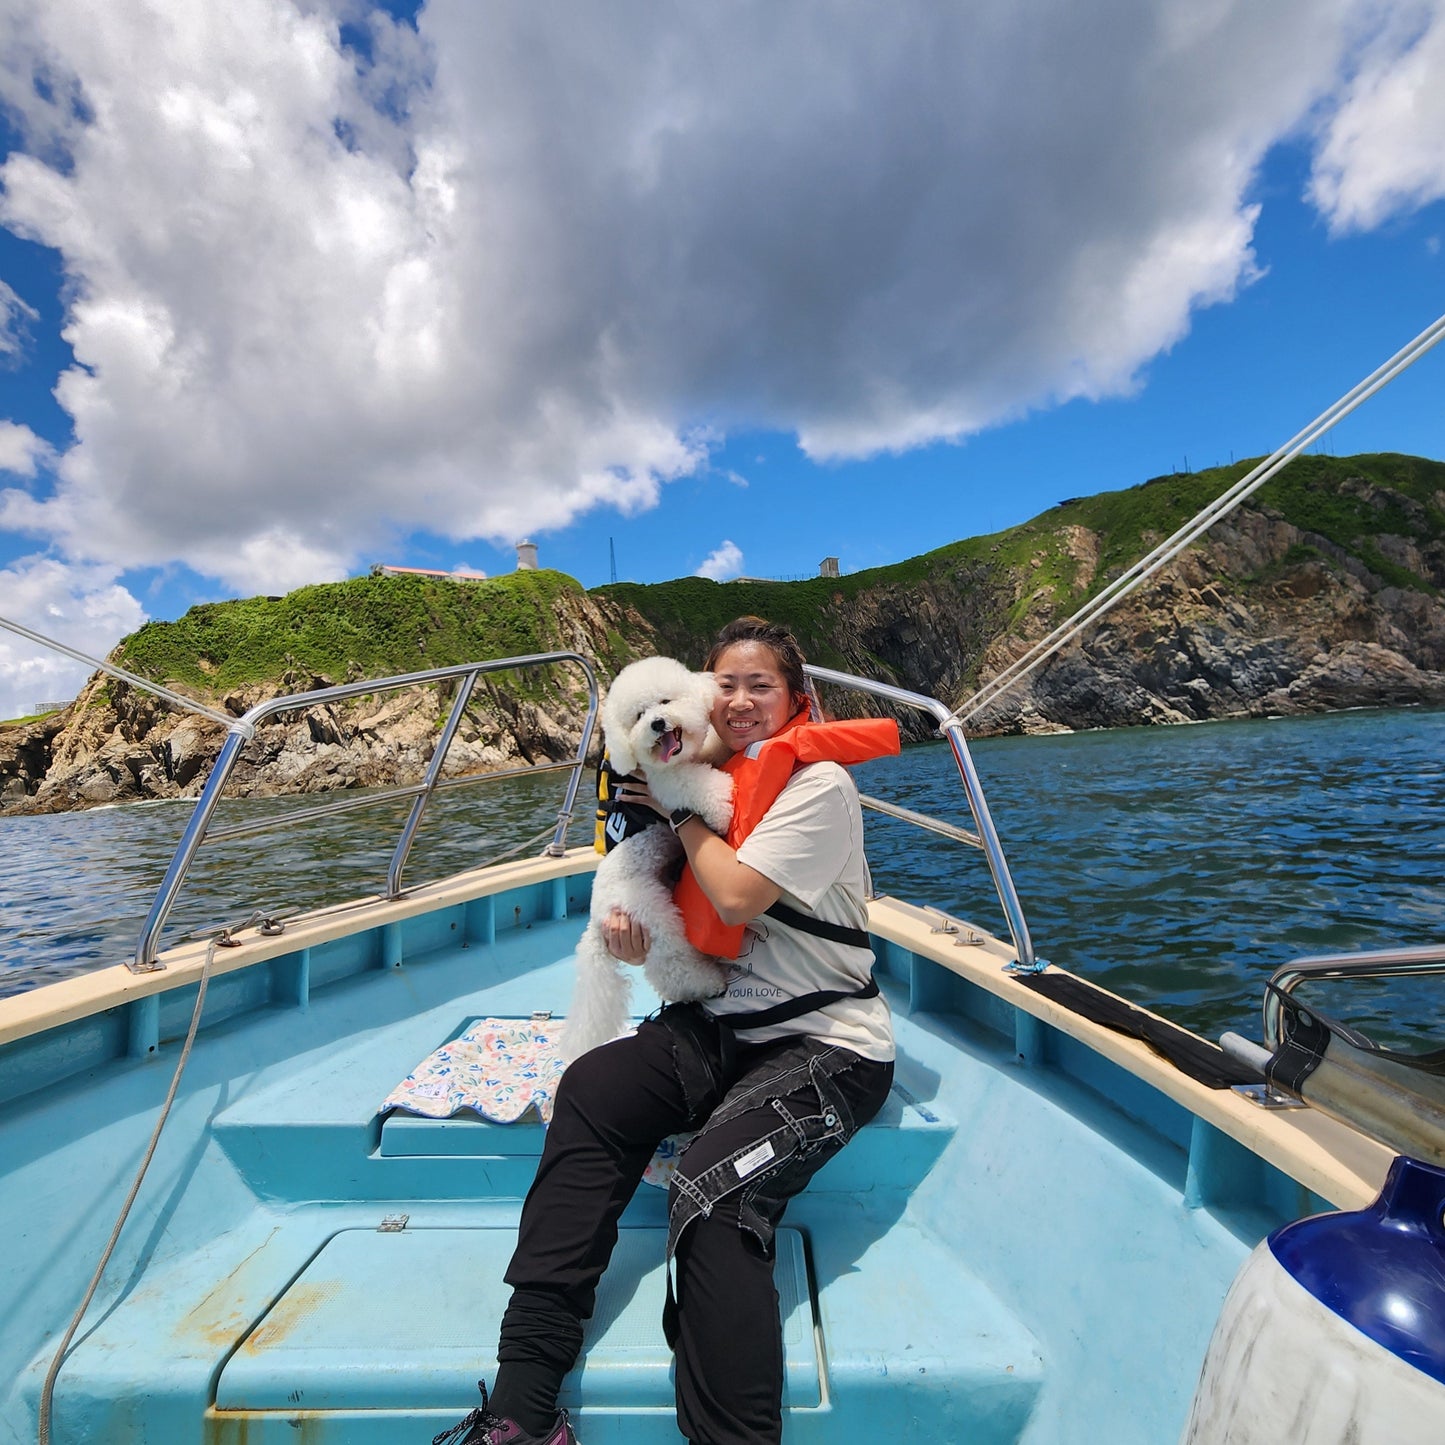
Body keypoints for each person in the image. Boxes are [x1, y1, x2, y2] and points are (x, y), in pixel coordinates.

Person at [435, 617, 897, 1445]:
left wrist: (677, 810)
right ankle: (521, 1406)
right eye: (726, 683)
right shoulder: (700, 769)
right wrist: (632, 941)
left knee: (711, 1191)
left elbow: (734, 898)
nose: (742, 700)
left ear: (800, 700)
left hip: (826, 1044)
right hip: (720, 1022)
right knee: (590, 1088)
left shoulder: (814, 787)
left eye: (763, 685)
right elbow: (671, 916)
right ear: (698, 693)